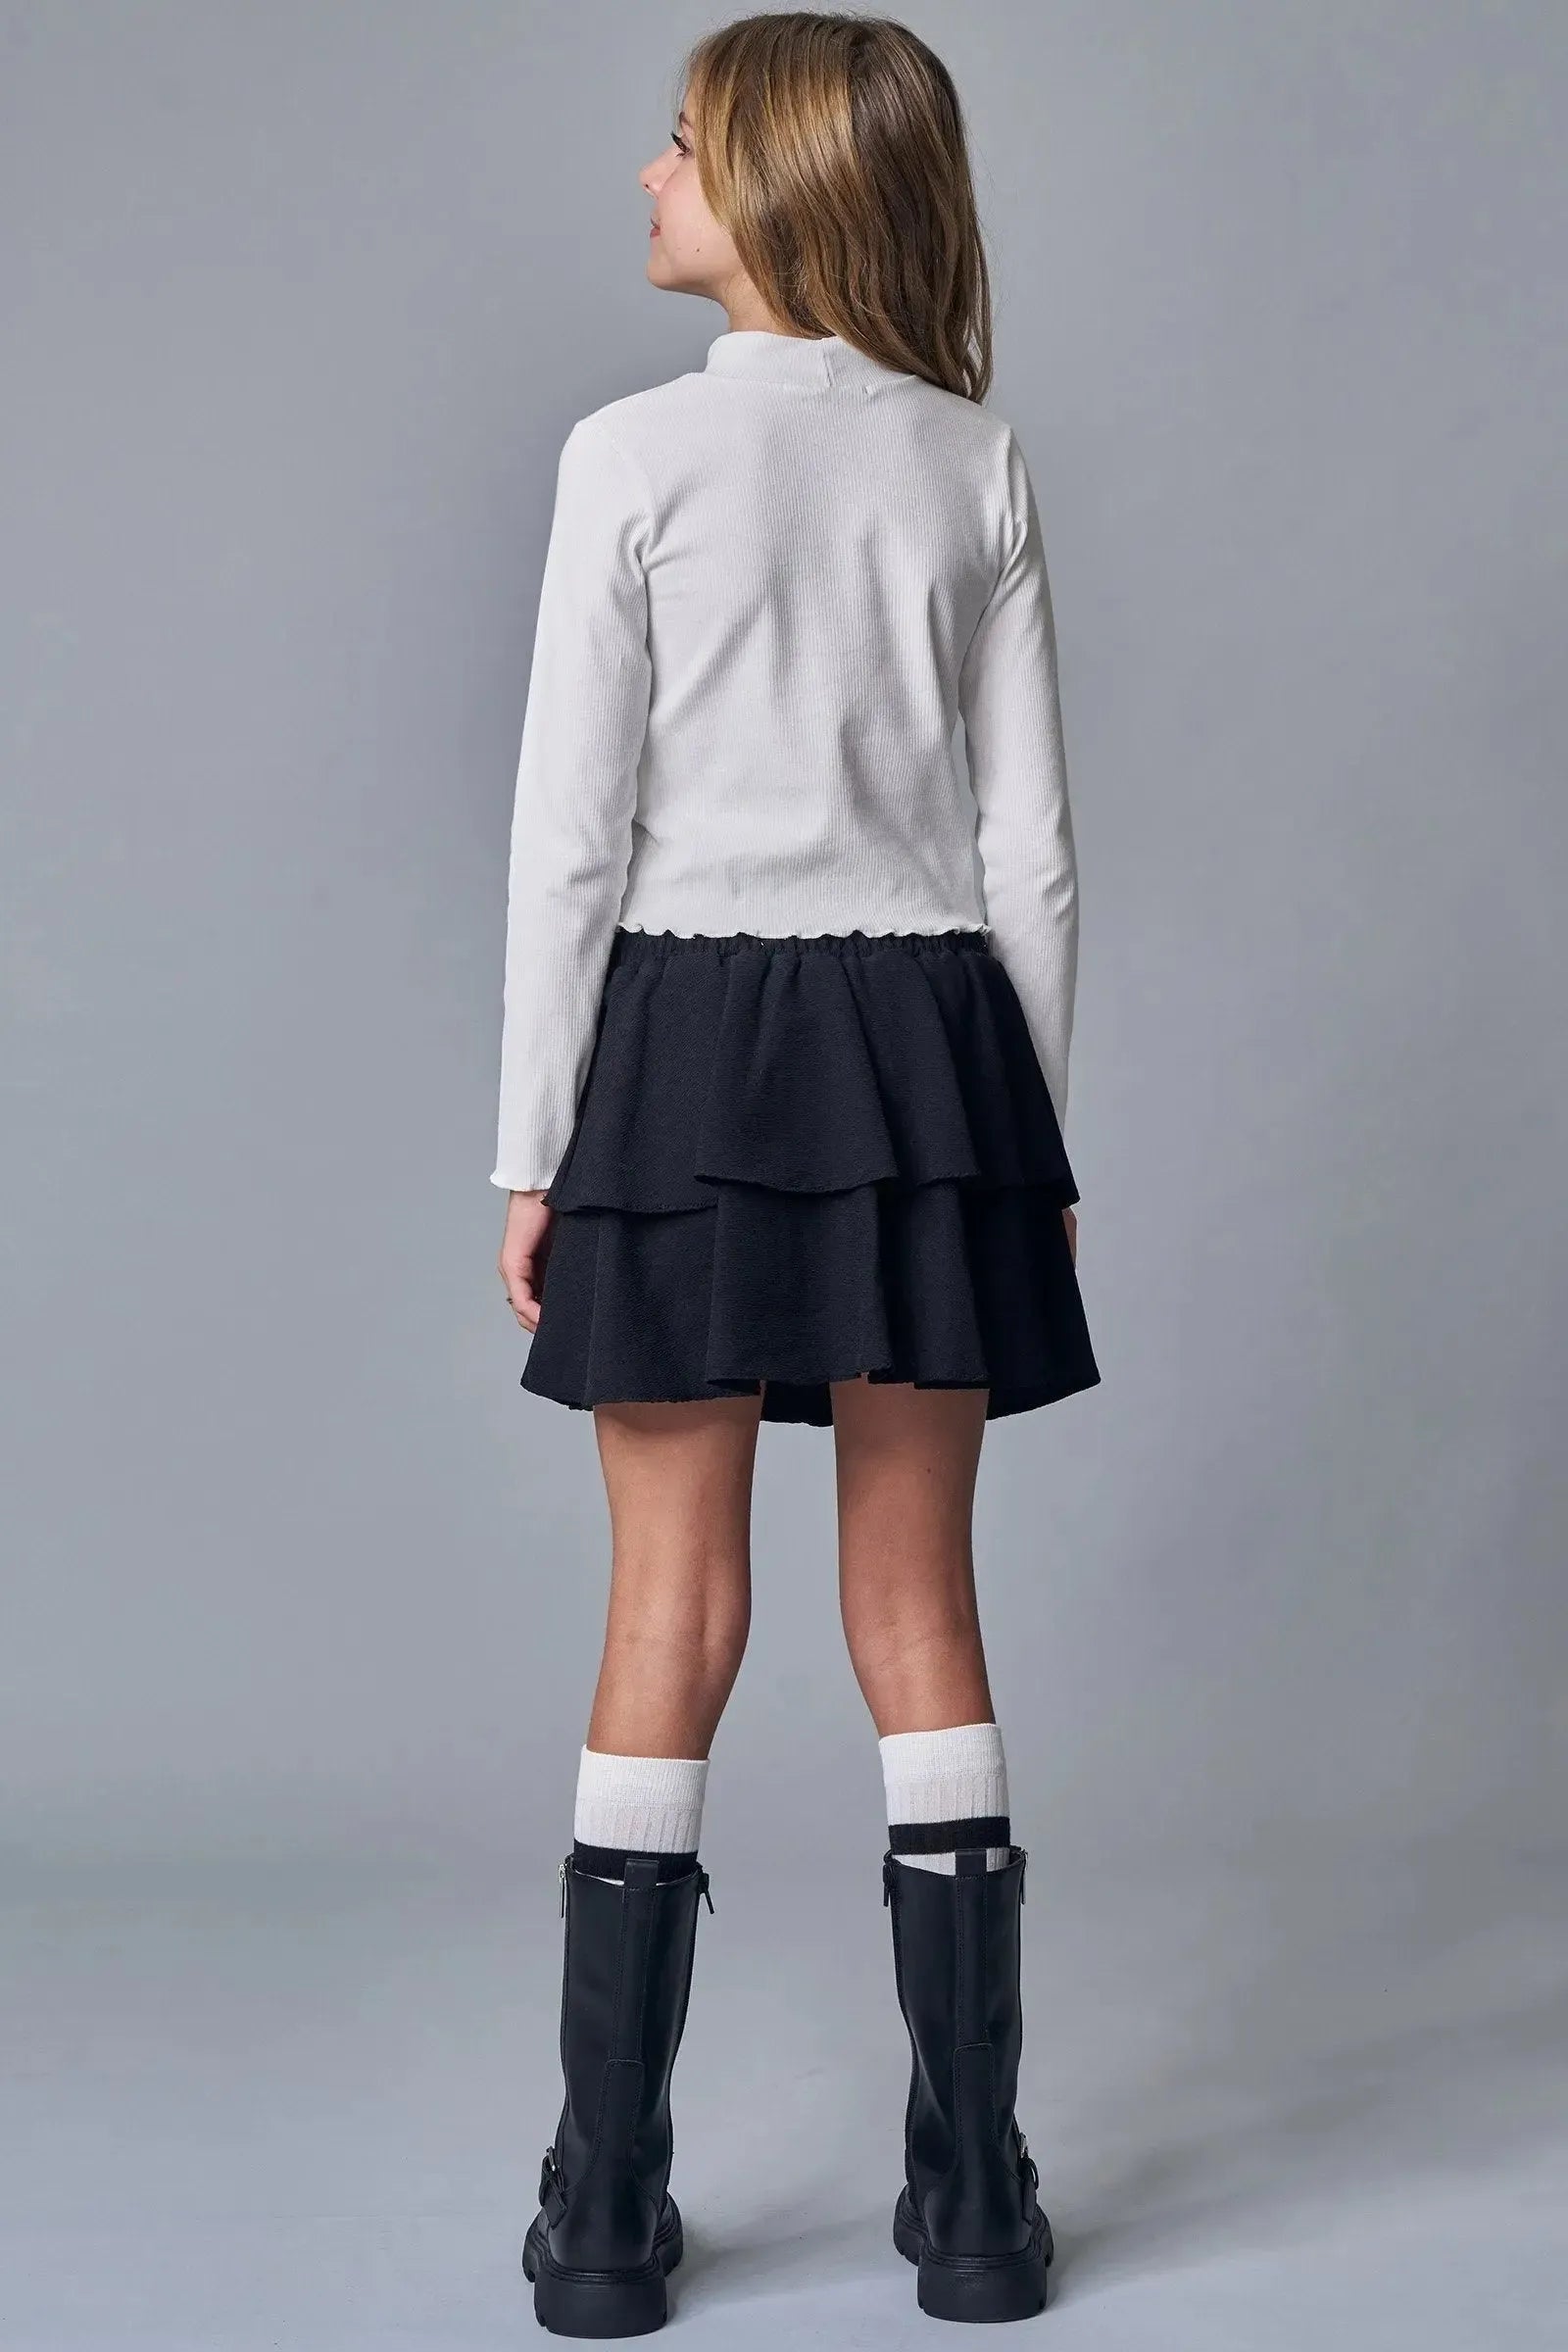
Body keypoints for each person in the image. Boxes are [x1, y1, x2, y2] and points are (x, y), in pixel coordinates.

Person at [494, 13, 1101, 2332]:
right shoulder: (972, 457)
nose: (645, 176)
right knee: (916, 1604)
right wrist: (1025, 1142)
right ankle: (973, 2202)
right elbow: (1030, 857)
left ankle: (601, 2208)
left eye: (677, 144)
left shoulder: (626, 455)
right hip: (932, 1048)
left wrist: (530, 1149)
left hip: (679, 1045)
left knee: (666, 1606)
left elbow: (569, 839)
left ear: (768, 181)